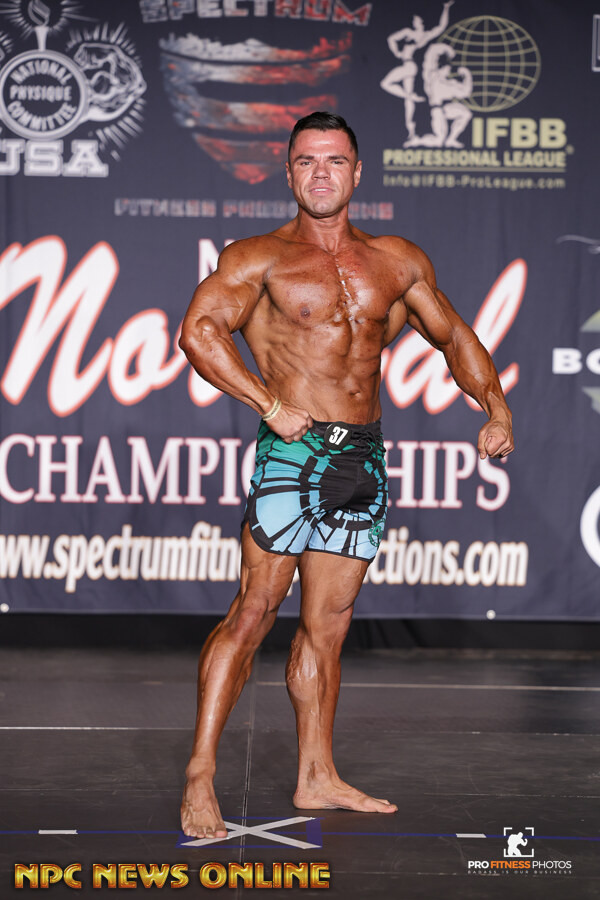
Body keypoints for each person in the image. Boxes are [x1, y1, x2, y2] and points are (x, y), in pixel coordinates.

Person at [178, 111, 514, 839]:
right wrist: (269, 405)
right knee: (253, 613)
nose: (321, 173)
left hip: (360, 456)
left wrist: (495, 406)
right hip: (293, 452)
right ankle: (200, 773)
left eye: (334, 161)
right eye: (307, 161)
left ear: (358, 172)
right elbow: (198, 332)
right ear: (288, 172)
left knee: (328, 627)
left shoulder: (396, 261)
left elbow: (453, 335)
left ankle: (317, 775)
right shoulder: (258, 257)